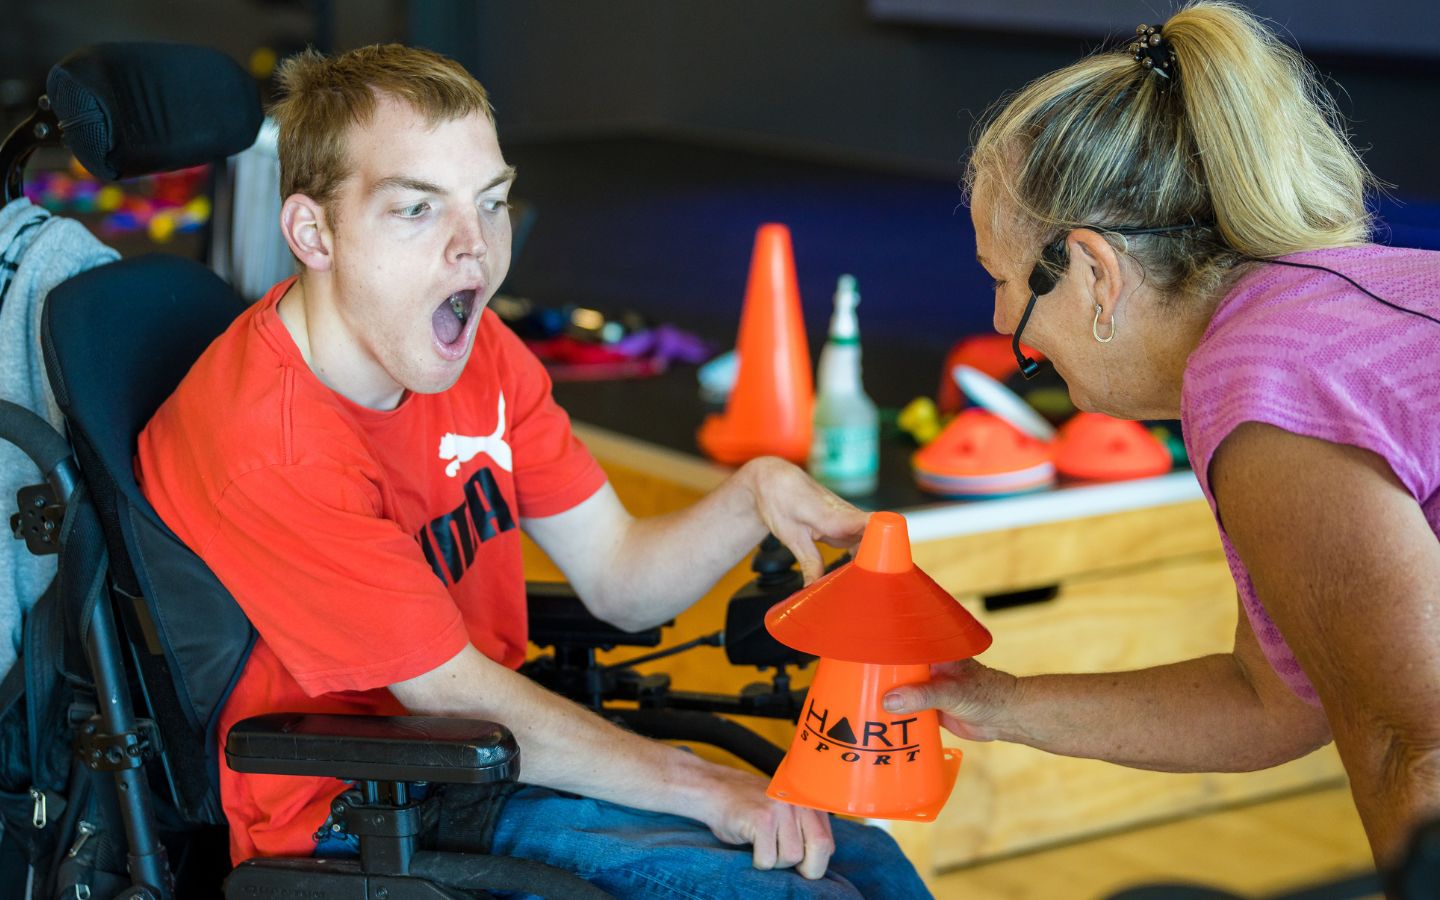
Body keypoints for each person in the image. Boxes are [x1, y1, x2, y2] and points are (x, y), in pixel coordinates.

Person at [135, 44, 928, 898]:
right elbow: (448, 695)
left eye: (493, 202)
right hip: (355, 801)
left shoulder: (478, 355)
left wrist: (754, 491)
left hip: (489, 749)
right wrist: (704, 788)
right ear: (313, 232)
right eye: (415, 210)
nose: (473, 249)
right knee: (793, 888)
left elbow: (621, 578)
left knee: (864, 857)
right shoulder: (272, 447)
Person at [882, 0, 1440, 872]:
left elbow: (1418, 753)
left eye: (1006, 286)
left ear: (1095, 271)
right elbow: (1274, 702)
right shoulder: (1316, 311)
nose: (1004, 327)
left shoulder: (1264, 384)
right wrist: (1001, 704)